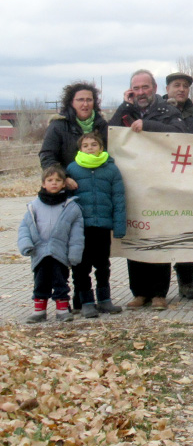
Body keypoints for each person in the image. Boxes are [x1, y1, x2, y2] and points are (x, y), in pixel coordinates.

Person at [109, 69, 188, 311]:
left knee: (158, 238)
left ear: (154, 88)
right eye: (136, 88)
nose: (141, 93)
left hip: (159, 183)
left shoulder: (167, 111)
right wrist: (124, 105)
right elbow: (109, 135)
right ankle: (139, 292)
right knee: (136, 237)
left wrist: (148, 125)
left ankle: (159, 293)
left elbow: (180, 135)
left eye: (145, 87)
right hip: (132, 184)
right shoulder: (125, 110)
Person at [66, 132, 126, 317]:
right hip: (80, 227)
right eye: (86, 145)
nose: (90, 148)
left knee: (102, 264)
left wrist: (119, 226)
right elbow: (65, 200)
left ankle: (105, 300)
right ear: (80, 149)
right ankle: (86, 302)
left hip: (102, 224)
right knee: (81, 266)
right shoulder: (72, 169)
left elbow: (119, 198)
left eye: (94, 144)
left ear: (101, 148)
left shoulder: (111, 169)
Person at [19, 166, 84, 323]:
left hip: (59, 252)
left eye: (58, 180)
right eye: (50, 180)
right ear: (43, 184)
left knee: (60, 281)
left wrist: (74, 253)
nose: (53, 183)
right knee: (40, 281)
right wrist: (26, 244)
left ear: (63, 184)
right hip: (39, 252)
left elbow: (77, 234)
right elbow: (24, 228)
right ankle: (39, 311)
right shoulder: (33, 206)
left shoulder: (71, 207)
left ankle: (62, 309)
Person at [164, 72, 193, 299]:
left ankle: (186, 281)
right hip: (161, 178)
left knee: (187, 230)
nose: (181, 89)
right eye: (176, 85)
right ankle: (155, 287)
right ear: (167, 88)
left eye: (185, 86)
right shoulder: (155, 109)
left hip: (188, 179)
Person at [39, 81, 109, 189]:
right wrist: (64, 177)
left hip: (98, 188)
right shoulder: (58, 125)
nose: (85, 104)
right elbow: (47, 156)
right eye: (80, 100)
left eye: (89, 100)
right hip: (69, 187)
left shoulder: (102, 125)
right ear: (71, 102)